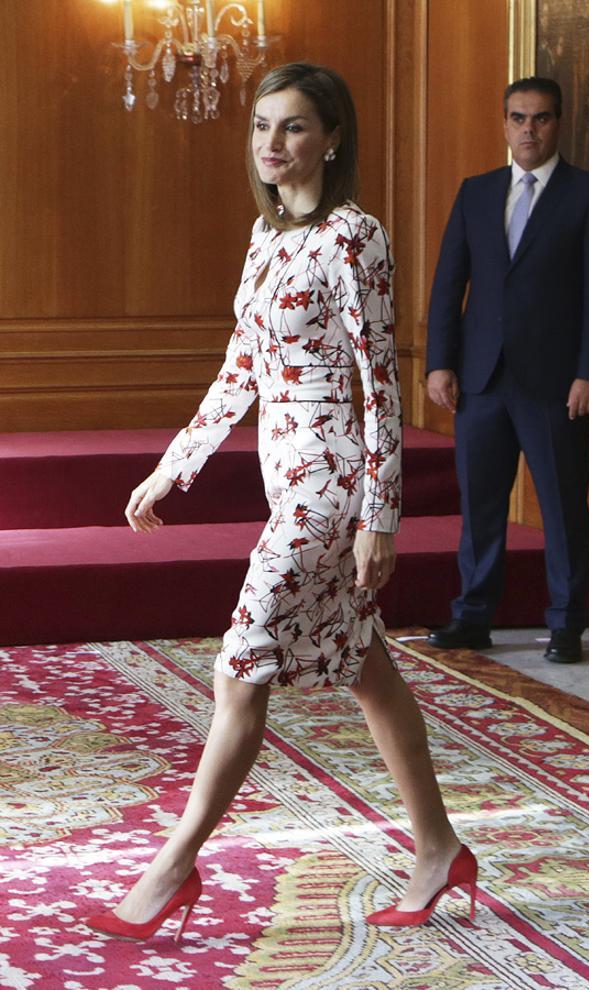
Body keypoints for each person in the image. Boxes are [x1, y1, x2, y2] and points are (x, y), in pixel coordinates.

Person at [84, 62, 477, 941]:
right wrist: (169, 468)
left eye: (293, 127)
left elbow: (382, 385)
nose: (272, 144)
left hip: (333, 486)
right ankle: (440, 847)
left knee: (240, 665)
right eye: (263, 126)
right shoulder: (266, 241)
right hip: (285, 477)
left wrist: (382, 514)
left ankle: (172, 867)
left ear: (331, 138)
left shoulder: (354, 237)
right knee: (367, 669)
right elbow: (238, 373)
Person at [426, 76, 589, 664]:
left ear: (558, 123)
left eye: (540, 118)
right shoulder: (477, 192)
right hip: (480, 378)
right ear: (504, 123)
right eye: (518, 118)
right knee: (481, 504)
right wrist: (440, 362)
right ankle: (473, 616)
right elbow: (448, 286)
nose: (528, 129)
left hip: (557, 382)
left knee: (563, 505)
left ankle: (567, 625)